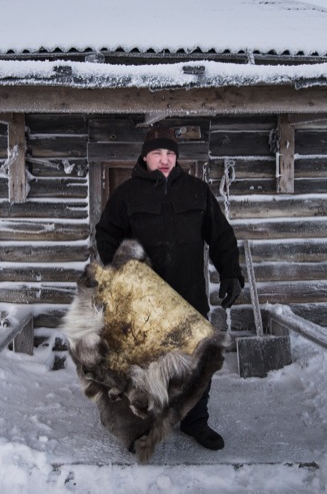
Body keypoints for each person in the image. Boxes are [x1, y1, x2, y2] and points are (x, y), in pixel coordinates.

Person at [94, 127, 245, 451]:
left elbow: (220, 236)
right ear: (145, 156)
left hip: (189, 296)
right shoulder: (126, 195)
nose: (164, 160)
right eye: (157, 154)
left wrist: (231, 274)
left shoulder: (197, 191)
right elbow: (106, 235)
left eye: (170, 154)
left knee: (195, 363)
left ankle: (195, 421)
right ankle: (138, 430)